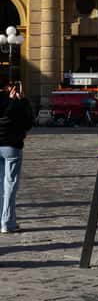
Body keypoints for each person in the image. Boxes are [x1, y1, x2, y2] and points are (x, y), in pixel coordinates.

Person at [0, 82, 34, 234]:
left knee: (0, 185)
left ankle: (2, 220)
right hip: (12, 147)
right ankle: (7, 222)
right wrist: (23, 100)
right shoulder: (16, 103)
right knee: (10, 185)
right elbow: (28, 123)